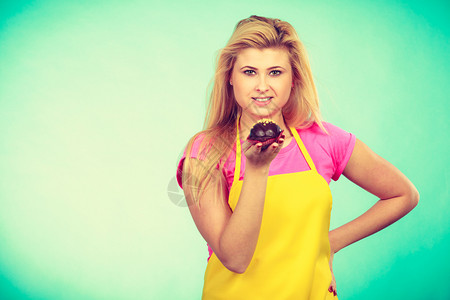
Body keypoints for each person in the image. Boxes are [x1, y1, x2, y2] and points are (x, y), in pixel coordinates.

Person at [176, 15, 419, 300]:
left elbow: (404, 195)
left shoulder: (325, 140)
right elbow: (235, 259)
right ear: (230, 76)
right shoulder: (204, 151)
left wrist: (329, 243)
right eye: (250, 72)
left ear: (294, 78)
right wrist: (256, 170)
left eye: (276, 72)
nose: (263, 85)